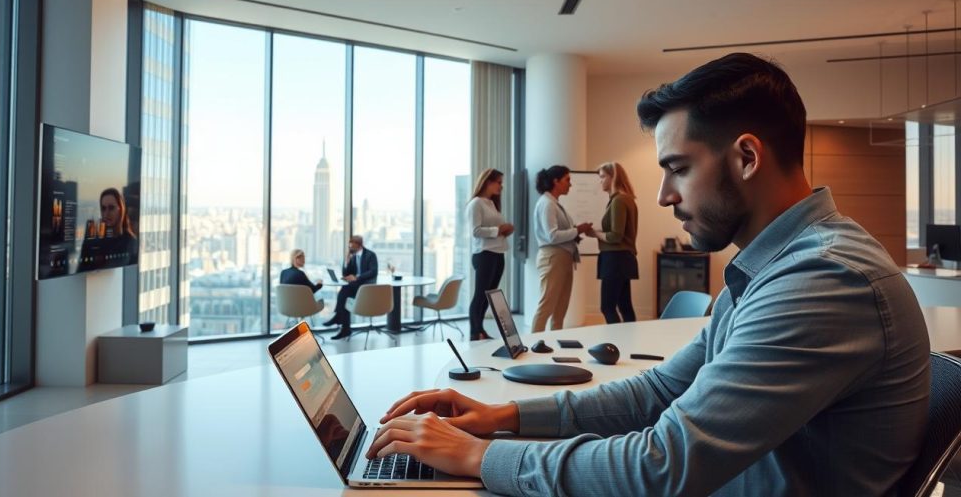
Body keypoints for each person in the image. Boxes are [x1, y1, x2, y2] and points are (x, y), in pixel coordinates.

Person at [364, 53, 930, 495]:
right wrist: (503, 416)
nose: (662, 195)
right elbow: (662, 390)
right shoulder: (773, 267)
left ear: (748, 157)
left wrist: (477, 457)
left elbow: (661, 469)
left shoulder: (822, 280)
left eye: (677, 169)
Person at [531, 165, 594, 332]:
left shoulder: (554, 204)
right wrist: (577, 230)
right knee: (547, 305)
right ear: (555, 181)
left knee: (560, 308)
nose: (570, 184)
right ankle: (533, 345)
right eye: (567, 180)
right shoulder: (547, 204)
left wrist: (576, 233)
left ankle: (553, 343)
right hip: (553, 257)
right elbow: (552, 236)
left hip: (562, 258)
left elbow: (557, 234)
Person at [466, 168, 514, 341]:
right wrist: (498, 230)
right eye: (499, 182)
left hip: (498, 253)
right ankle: (474, 332)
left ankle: (480, 329)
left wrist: (504, 231)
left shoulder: (492, 203)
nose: (501, 186)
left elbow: (494, 230)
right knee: (480, 294)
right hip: (484, 254)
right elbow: (475, 231)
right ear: (488, 182)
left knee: (489, 295)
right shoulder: (476, 204)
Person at [593, 161, 639, 323]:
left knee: (607, 307)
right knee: (625, 305)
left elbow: (615, 236)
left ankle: (617, 343)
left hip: (615, 259)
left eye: (603, 177)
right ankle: (629, 341)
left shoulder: (619, 200)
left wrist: (595, 233)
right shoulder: (626, 199)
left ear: (613, 177)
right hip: (622, 258)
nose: (601, 181)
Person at [326, 235, 378, 340]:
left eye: (352, 247)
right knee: (344, 296)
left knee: (344, 291)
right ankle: (345, 329)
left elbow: (373, 272)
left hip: (367, 287)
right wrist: (347, 261)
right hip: (356, 286)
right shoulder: (353, 256)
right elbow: (346, 273)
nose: (350, 249)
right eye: (349, 247)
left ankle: (338, 318)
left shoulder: (370, 255)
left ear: (359, 245)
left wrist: (357, 277)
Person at [78, 187, 138, 271]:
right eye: (103, 208)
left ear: (121, 209)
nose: (106, 213)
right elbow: (81, 269)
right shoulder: (94, 239)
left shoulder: (131, 242)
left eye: (111, 208)